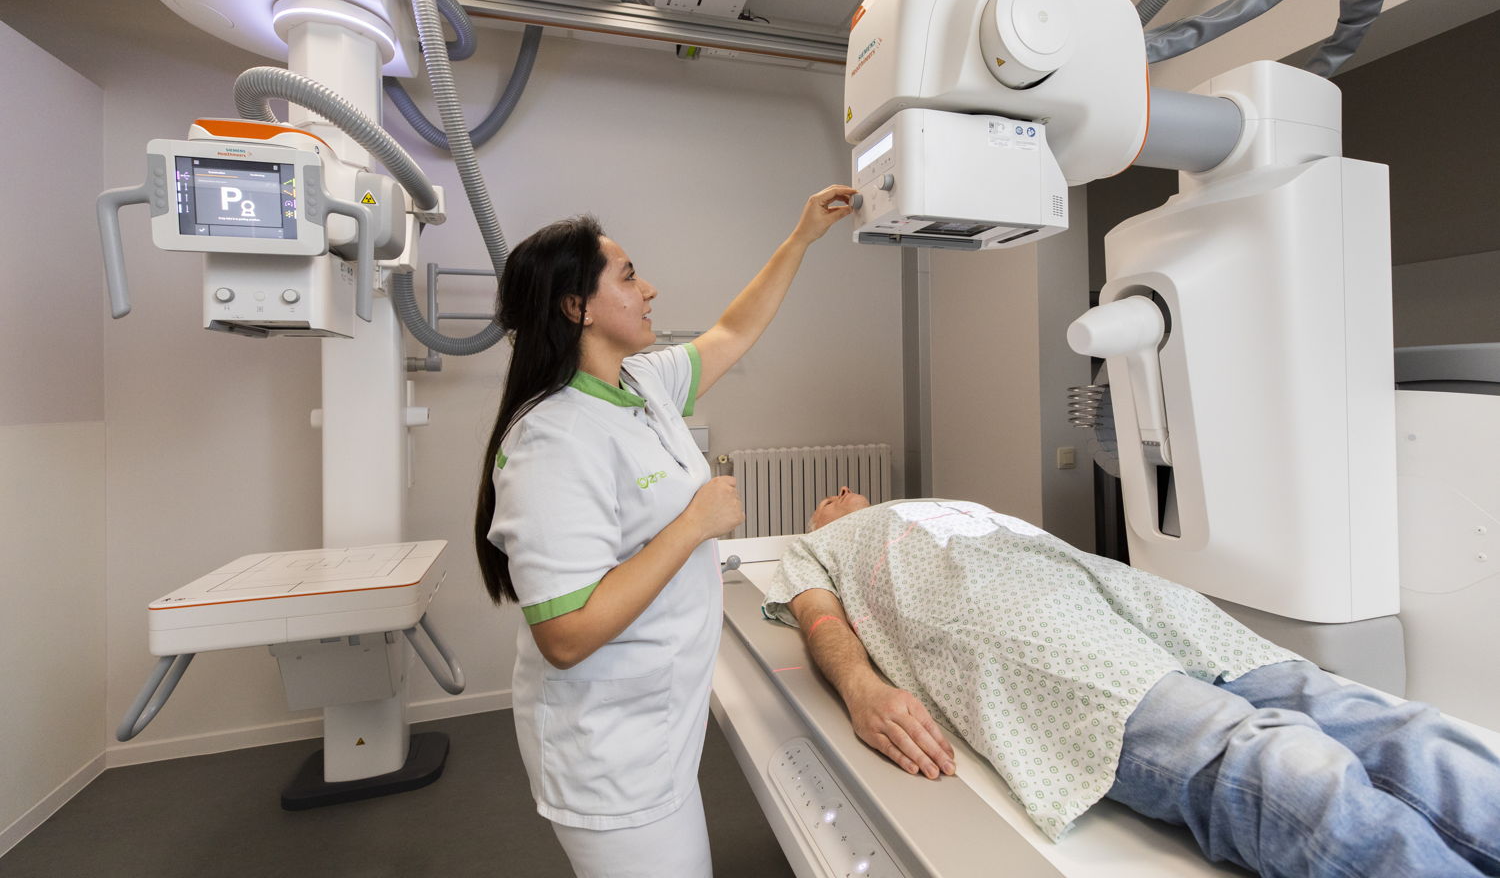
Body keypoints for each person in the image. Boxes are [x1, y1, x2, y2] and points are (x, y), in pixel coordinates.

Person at [763, 490, 1500, 878]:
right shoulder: (820, 544)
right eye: (832, 496)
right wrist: (862, 689)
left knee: (1374, 719)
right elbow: (821, 622)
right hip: (1022, 630)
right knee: (1276, 760)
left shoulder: (952, 501)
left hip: (1127, 599)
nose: (844, 493)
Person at [472, 185, 855, 878]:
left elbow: (733, 332)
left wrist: (801, 238)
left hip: (657, 722)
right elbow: (565, 634)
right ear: (576, 307)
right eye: (627, 276)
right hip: (609, 749)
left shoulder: (640, 384)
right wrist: (694, 524)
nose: (649, 289)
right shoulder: (552, 439)